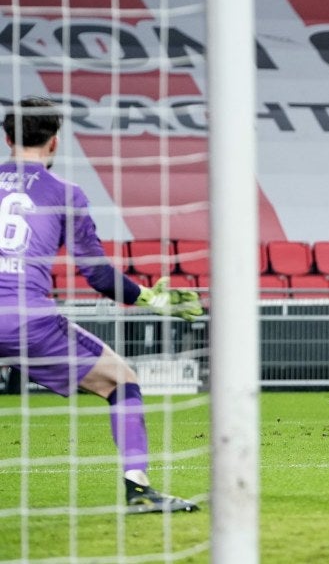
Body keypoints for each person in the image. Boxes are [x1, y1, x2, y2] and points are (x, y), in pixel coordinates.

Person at [1, 97, 204, 513]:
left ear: (6, 139)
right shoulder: (64, 194)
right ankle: (140, 490)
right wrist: (150, 297)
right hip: (25, 320)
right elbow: (96, 275)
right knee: (121, 380)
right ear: (55, 142)